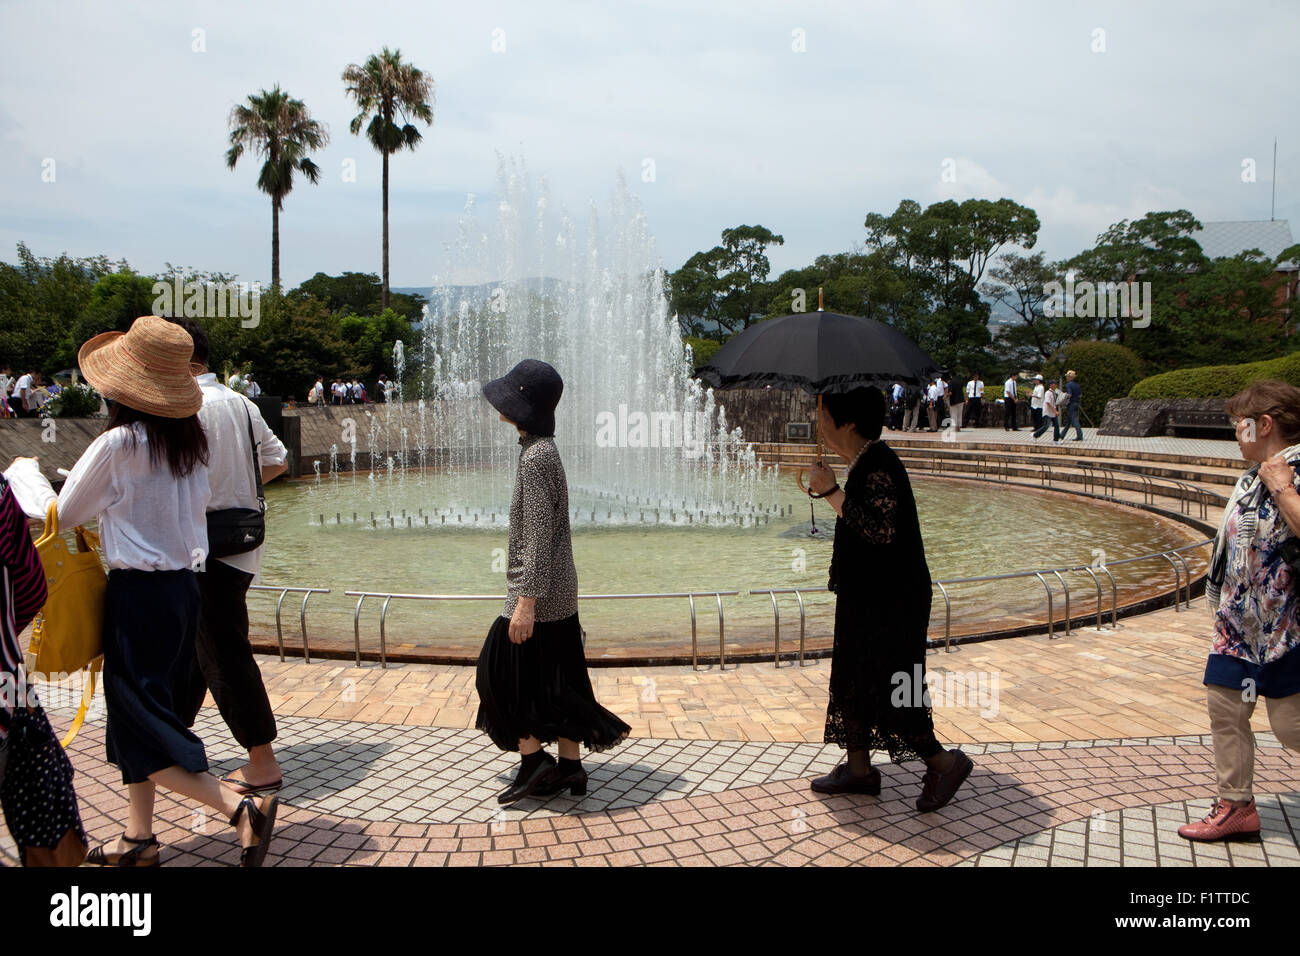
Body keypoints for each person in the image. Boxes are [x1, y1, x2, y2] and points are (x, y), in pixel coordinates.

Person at [3, 316, 278, 867]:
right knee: (143, 715)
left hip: (139, 596)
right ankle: (138, 838)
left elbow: (63, 512)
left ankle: (236, 808)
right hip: (184, 590)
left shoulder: (119, 442)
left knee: (140, 719)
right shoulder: (191, 441)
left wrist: (23, 476)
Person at [805, 387, 974, 811]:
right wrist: (834, 487)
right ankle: (859, 769)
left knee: (893, 684)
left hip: (892, 602)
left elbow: (880, 532)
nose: (819, 424)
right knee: (853, 676)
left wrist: (830, 492)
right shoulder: (864, 463)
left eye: (824, 416)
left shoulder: (878, 466)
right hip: (869, 596)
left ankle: (943, 763)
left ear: (847, 423)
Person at [475, 359, 629, 804]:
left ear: (524, 406)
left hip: (541, 591)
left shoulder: (538, 455)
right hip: (559, 589)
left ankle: (534, 762)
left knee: (495, 673)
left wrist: (526, 602)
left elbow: (541, 531)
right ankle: (571, 768)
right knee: (560, 678)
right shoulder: (537, 449)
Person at [166, 317, 289, 796]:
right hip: (241, 543)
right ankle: (171, 740)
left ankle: (262, 761)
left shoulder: (180, 406)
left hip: (197, 546)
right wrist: (239, 490)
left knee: (224, 651)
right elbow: (277, 460)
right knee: (199, 648)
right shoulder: (240, 402)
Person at [1178, 380, 1300, 843]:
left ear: (1264, 424)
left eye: (1240, 425)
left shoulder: (1293, 471)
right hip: (1239, 625)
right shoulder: (1250, 477)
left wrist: (1284, 487)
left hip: (1289, 627)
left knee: (1291, 728)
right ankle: (1236, 806)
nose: (1236, 434)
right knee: (1225, 708)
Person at [1062, 370, 1083, 441]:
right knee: (1069, 421)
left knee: (1074, 420)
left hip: (1071, 403)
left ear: (1070, 377)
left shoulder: (1068, 385)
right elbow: (1080, 395)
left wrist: (1064, 401)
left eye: (1067, 376)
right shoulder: (1077, 385)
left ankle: (1080, 435)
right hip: (1076, 403)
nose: (1067, 378)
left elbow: (1069, 394)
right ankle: (1062, 434)